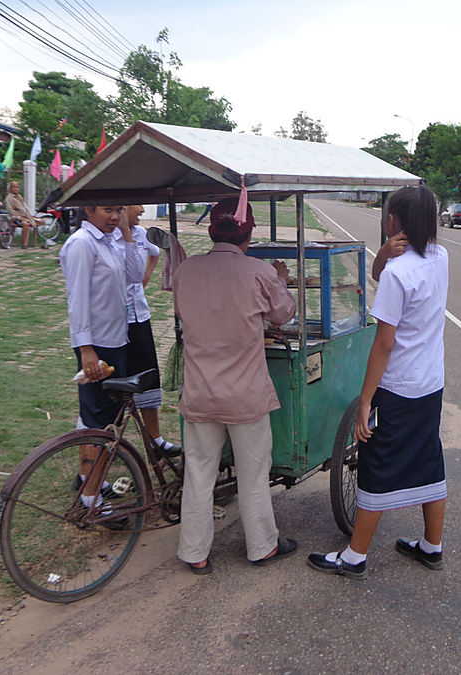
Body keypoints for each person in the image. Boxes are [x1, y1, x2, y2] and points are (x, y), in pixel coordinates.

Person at [308, 184, 449, 580]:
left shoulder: (401, 275)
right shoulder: (440, 256)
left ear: (392, 220)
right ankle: (431, 545)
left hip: (400, 384)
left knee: (377, 463)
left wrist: (366, 400)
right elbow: (380, 274)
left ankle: (354, 556)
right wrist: (384, 254)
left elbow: (384, 345)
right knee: (428, 457)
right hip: (430, 381)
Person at [173, 197, 297, 574]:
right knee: (254, 473)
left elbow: (184, 314)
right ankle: (262, 546)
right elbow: (283, 314)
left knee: (198, 473)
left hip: (200, 393)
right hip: (245, 396)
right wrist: (282, 280)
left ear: (212, 231)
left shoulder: (186, 271)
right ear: (248, 232)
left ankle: (195, 553)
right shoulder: (260, 272)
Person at [59, 204, 145, 508]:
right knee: (97, 421)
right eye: (108, 210)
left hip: (116, 339)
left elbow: (136, 276)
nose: (114, 216)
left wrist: (126, 234)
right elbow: (77, 299)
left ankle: (90, 480)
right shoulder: (82, 245)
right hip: (96, 345)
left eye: (118, 209)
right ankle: (90, 499)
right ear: (88, 210)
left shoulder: (111, 240)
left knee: (103, 419)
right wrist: (85, 349)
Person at [122, 204, 180, 456]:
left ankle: (155, 440)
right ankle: (105, 442)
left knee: (148, 378)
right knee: (118, 385)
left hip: (140, 317)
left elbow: (155, 252)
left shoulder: (141, 234)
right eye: (138, 205)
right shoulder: (111, 237)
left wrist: (144, 279)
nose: (143, 209)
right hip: (115, 321)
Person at [4, 181, 41, 249]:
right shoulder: (9, 198)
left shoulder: (19, 196)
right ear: (10, 189)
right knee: (25, 223)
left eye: (17, 187)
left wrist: (28, 217)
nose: (15, 189)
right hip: (15, 218)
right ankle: (24, 244)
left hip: (25, 216)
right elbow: (10, 211)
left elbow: (25, 208)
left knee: (41, 221)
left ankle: (34, 243)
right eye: (14, 187)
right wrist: (18, 217)